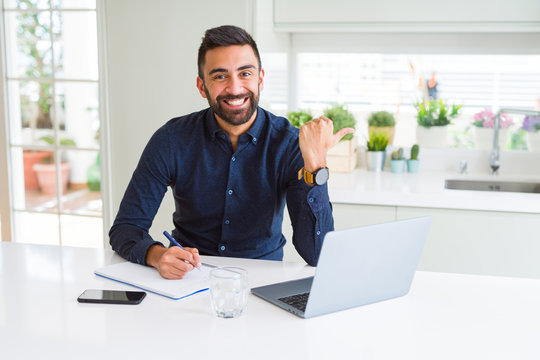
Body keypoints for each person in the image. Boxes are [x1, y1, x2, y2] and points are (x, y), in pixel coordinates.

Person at [109, 25, 353, 279]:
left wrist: (315, 166)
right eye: (220, 76)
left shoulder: (290, 144)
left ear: (260, 80)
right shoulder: (172, 139)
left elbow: (318, 255)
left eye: (245, 73)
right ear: (202, 86)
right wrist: (157, 255)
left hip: (262, 281)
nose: (235, 88)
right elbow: (126, 228)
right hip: (188, 279)